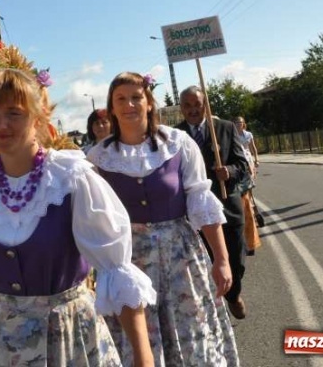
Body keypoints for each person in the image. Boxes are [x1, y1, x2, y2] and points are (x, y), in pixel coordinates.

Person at [0, 68, 156, 366]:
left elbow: (116, 268)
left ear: (37, 116)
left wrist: (143, 358)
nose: (0, 124)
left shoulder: (71, 178)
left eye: (13, 113)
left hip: (65, 337)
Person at [87, 72, 240, 366]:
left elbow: (200, 201)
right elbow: (92, 219)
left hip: (181, 257)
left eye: (136, 97)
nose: (129, 104)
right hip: (130, 262)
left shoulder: (177, 143)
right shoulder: (99, 158)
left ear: (149, 103)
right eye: (121, 99)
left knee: (191, 330)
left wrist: (221, 259)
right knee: (143, 339)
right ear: (112, 107)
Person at [175, 86, 250, 321]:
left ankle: (233, 295)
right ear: (181, 109)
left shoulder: (225, 128)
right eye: (187, 106)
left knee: (235, 261)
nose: (192, 110)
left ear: (205, 105)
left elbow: (242, 164)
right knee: (206, 262)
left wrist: (229, 171)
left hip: (227, 206)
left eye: (197, 104)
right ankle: (216, 306)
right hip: (196, 213)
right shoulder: (175, 136)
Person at [233, 116, 263, 252]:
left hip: (248, 162)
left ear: (243, 124)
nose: (238, 124)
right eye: (236, 122)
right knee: (245, 193)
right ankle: (253, 210)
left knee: (249, 189)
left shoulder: (248, 135)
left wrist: (256, 159)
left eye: (240, 122)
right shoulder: (232, 134)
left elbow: (253, 148)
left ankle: (253, 210)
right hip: (239, 164)